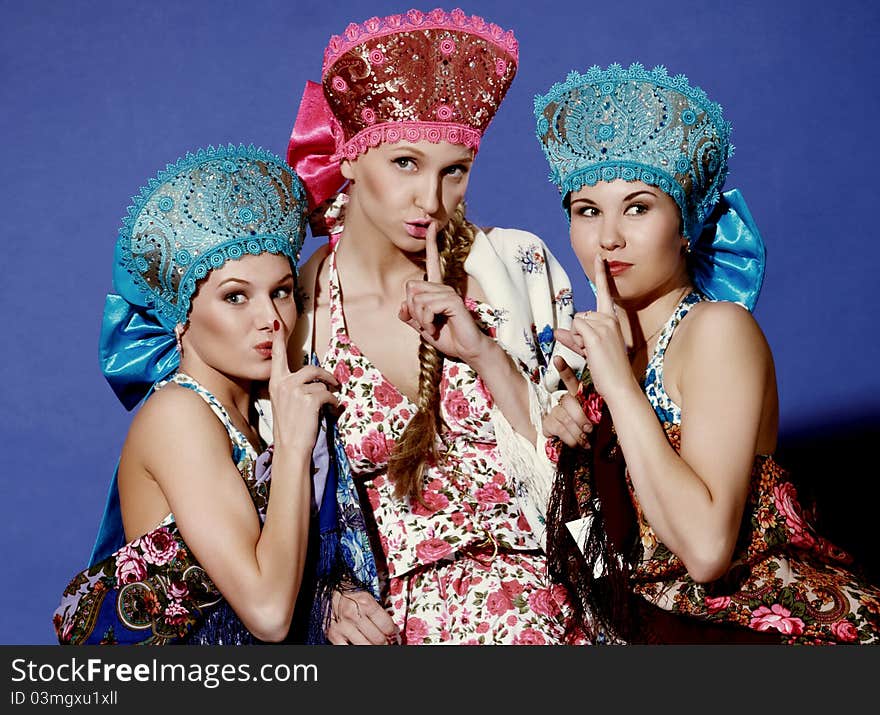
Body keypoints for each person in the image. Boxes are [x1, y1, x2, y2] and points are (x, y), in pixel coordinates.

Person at [534, 62, 880, 644]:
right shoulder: (591, 356)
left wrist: (618, 390)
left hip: (753, 629)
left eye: (638, 207)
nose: (608, 237)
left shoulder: (717, 329)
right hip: (641, 630)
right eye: (587, 211)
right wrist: (558, 432)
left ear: (686, 225)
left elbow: (707, 551)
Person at [284, 8, 588, 645]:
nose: (432, 199)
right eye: (405, 164)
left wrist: (484, 353)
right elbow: (275, 498)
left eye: (454, 169)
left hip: (557, 607)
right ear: (349, 158)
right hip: (403, 629)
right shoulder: (297, 314)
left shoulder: (516, 266)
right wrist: (327, 594)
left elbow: (577, 481)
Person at [53, 145, 336, 644]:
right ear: (181, 317)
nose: (270, 319)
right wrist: (293, 446)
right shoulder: (178, 414)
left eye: (283, 290)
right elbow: (268, 613)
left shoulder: (260, 416)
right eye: (235, 296)